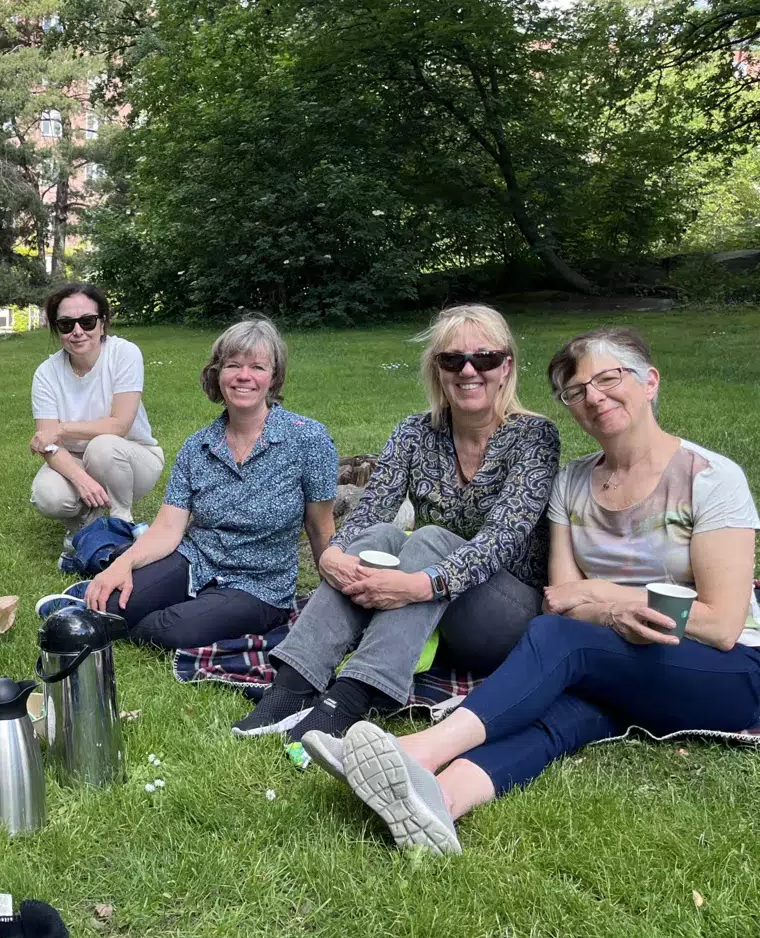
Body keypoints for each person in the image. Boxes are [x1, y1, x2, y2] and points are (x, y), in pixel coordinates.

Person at [303, 327, 760, 855]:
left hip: (722, 675)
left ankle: (418, 752)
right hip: (621, 666)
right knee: (555, 715)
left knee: (558, 641)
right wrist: (603, 613)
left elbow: (721, 624)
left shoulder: (709, 478)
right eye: (576, 391)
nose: (594, 397)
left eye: (608, 379)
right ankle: (441, 802)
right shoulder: (573, 483)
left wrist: (609, 598)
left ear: (650, 381)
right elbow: (561, 596)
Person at [235, 305, 561, 743]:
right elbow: (372, 507)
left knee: (426, 538)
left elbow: (501, 540)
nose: (468, 370)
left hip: (503, 614)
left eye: (483, 358)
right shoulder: (415, 433)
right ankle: (294, 684)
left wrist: (420, 584)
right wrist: (333, 554)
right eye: (452, 359)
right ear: (437, 370)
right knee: (378, 536)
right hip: (429, 614)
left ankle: (355, 695)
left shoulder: (533, 437)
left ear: (506, 367)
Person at [75, 319, 337, 649]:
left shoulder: (308, 440)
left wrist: (334, 602)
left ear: (273, 377)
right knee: (111, 607)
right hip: (197, 560)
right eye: (233, 365)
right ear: (218, 374)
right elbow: (167, 529)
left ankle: (177, 612)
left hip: (260, 584)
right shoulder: (197, 447)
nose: (244, 376)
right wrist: (123, 565)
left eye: (257, 367)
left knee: (168, 630)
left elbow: (320, 528)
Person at [30, 283, 163, 543]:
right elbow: (50, 445)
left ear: (102, 323)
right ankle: (84, 525)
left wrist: (62, 428)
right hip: (75, 459)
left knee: (102, 446)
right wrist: (81, 479)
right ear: (57, 330)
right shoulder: (46, 373)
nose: (78, 331)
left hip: (132, 457)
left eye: (87, 321)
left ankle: (121, 521)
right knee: (47, 495)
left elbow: (120, 426)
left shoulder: (124, 353)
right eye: (67, 325)